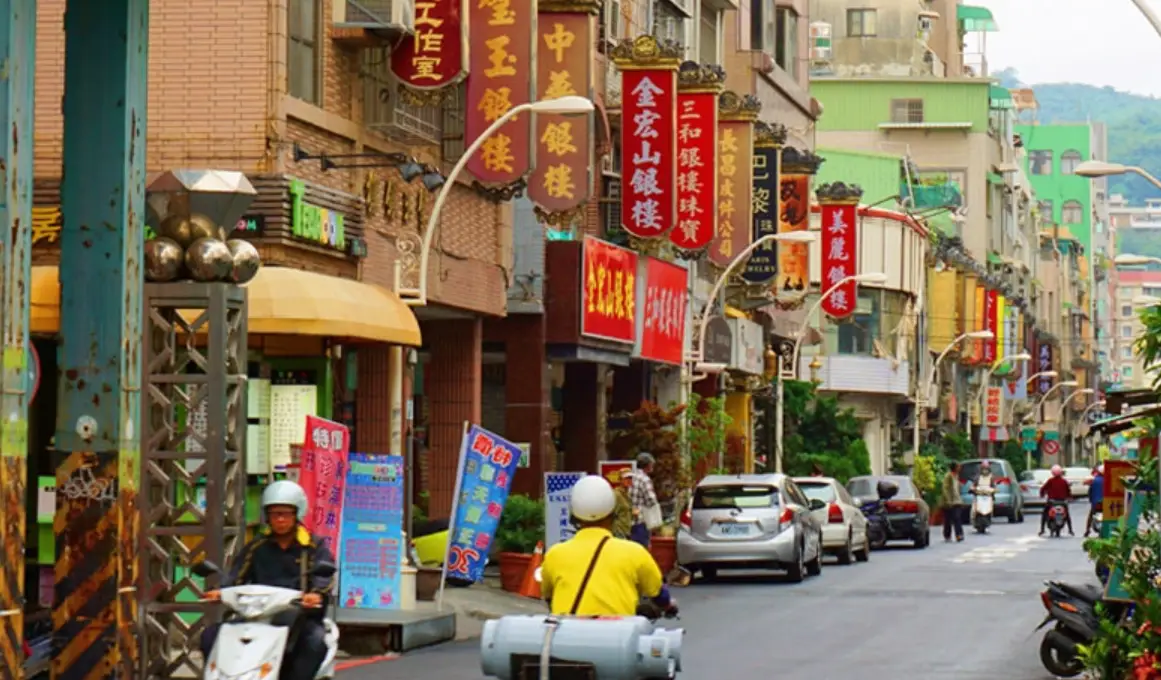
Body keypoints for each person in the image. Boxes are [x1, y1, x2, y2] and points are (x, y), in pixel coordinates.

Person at [200, 481, 335, 680]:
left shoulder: (314, 546)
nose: (280, 519)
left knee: (315, 642)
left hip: (299, 617)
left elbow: (324, 575)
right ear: (267, 517)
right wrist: (221, 591)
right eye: (274, 514)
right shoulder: (257, 546)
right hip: (256, 616)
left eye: (286, 513)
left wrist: (316, 594)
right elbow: (236, 575)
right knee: (211, 635)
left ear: (297, 514)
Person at [540, 475, 676, 617]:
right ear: (613, 512)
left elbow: (548, 595)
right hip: (619, 635)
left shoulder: (554, 554)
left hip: (569, 635)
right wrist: (668, 605)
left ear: (573, 515)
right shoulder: (635, 553)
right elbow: (659, 593)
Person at [629, 453, 660, 549]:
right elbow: (651, 500)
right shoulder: (644, 479)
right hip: (641, 520)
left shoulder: (630, 476)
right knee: (642, 549)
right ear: (648, 465)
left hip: (628, 520)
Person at [1040, 464, 1074, 536]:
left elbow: (1043, 489)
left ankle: (1042, 529)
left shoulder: (1050, 481)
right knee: (1067, 515)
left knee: (1044, 514)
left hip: (1052, 502)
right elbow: (1068, 491)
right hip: (1062, 502)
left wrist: (1042, 494)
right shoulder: (1064, 481)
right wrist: (1070, 497)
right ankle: (1070, 530)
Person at [941, 462, 966, 542]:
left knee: (957, 518)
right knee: (947, 519)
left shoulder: (956, 476)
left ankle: (959, 535)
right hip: (949, 501)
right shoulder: (948, 476)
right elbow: (945, 489)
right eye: (958, 467)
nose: (960, 468)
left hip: (957, 501)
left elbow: (957, 488)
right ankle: (947, 535)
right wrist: (948, 500)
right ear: (954, 468)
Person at [611, 470, 634, 539]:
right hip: (618, 530)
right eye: (626, 478)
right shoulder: (616, 494)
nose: (629, 480)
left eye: (630, 478)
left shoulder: (628, 495)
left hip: (627, 530)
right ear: (620, 480)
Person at [1085, 464, 1105, 538]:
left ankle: (1087, 530)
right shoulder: (1109, 480)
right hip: (1106, 503)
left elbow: (1090, 492)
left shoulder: (1094, 480)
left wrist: (1091, 500)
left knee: (1090, 515)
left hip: (1096, 503)